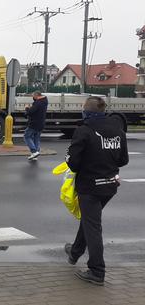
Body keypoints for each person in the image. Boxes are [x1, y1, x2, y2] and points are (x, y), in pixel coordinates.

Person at [64, 96, 128, 286]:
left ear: (87, 112)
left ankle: (97, 271)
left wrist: (74, 161)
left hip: (90, 186)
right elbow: (123, 160)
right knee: (89, 219)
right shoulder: (118, 130)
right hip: (109, 186)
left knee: (93, 226)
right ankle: (75, 252)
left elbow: (73, 162)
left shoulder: (84, 130)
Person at [24, 91, 48, 161]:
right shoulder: (44, 101)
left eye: (33, 96)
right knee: (36, 138)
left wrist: (27, 108)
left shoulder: (38, 103)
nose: (33, 98)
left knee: (27, 136)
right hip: (41, 123)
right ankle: (35, 155)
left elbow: (31, 112)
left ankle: (34, 151)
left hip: (34, 123)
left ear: (37, 95)